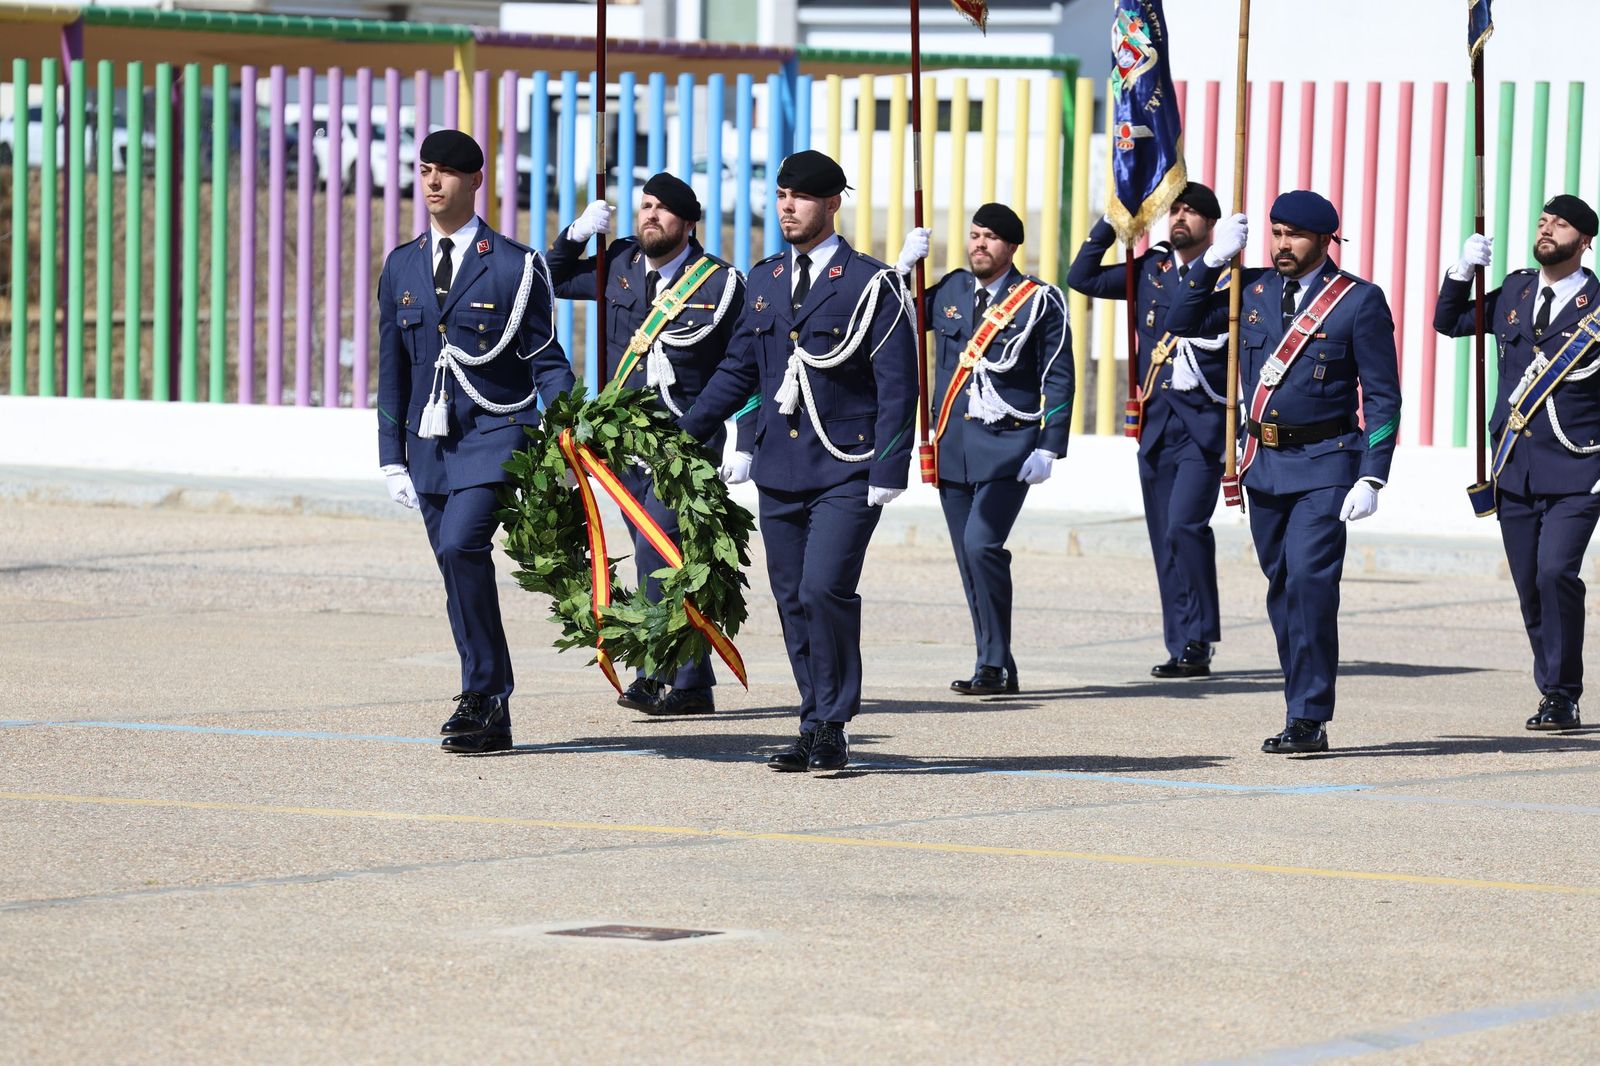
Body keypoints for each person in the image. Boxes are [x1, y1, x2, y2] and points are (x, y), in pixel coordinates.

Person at [678, 149, 918, 773]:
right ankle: (813, 720)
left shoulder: (872, 283)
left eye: (802, 196)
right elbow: (738, 369)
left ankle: (834, 723)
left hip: (848, 463)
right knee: (790, 596)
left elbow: (897, 384)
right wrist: (689, 428)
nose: (788, 206)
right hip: (780, 464)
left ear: (832, 203)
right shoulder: (763, 280)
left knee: (823, 588)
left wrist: (890, 469)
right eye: (782, 194)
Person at [1166, 190, 1401, 754]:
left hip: (1327, 463)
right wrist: (1212, 261)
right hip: (1265, 465)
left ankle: (1309, 714)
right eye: (1275, 232)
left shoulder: (1357, 301)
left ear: (1325, 240)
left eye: (1294, 235)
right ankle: (1299, 701)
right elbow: (1179, 319)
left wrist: (1373, 474)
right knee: (1283, 588)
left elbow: (1384, 396)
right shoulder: (1252, 289)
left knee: (1311, 584)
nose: (1282, 245)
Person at [376, 130, 576, 754]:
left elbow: (544, 355)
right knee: (452, 566)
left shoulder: (516, 264)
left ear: (475, 182)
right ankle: (488, 706)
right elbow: (393, 368)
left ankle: (485, 692)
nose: (434, 183)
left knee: (464, 545)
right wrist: (390, 455)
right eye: (426, 170)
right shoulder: (401, 264)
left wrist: (569, 426)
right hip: (428, 444)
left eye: (448, 173)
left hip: (496, 432)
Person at [547, 172, 751, 716]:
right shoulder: (619, 265)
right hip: (626, 443)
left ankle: (655, 672)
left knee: (655, 546)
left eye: (663, 209)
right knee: (668, 554)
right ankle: (692, 681)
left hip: (685, 442)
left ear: (687, 223)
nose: (650, 216)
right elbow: (549, 278)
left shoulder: (719, 284)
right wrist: (575, 234)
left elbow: (747, 363)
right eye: (646, 206)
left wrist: (743, 440)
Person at [1434, 194, 1600, 732]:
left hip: (1579, 468)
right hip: (1515, 466)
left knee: (1556, 572)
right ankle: (1552, 689)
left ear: (1585, 243)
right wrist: (1462, 270)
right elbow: (1450, 321)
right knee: (1530, 583)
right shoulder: (1516, 289)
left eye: (1562, 224)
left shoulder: (1597, 308)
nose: (1548, 228)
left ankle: (1562, 691)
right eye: (1544, 220)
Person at [1067, 184, 1228, 679]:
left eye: (1192, 212)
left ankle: (1199, 637)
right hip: (1156, 425)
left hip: (1204, 426)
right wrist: (1111, 223)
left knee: (1185, 526)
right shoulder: (1152, 271)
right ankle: (1181, 643)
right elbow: (1083, 277)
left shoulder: (1230, 278)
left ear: (1212, 225)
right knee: (1164, 537)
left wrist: (1225, 259)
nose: (1179, 217)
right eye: (1175, 209)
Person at [914, 202, 1073, 696]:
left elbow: (1059, 374)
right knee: (970, 557)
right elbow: (901, 318)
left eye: (991, 238)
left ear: (1011, 247)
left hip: (1009, 447)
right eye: (975, 235)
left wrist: (1050, 445)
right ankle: (995, 663)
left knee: (982, 545)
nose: (979, 244)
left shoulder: (1038, 300)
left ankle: (994, 662)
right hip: (952, 444)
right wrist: (901, 271)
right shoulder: (952, 289)